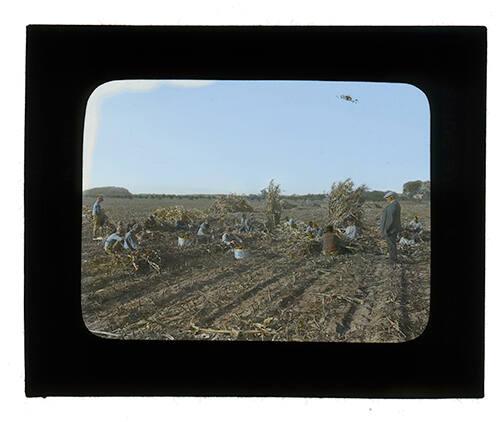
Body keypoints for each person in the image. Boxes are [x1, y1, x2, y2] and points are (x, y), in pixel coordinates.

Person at [380, 191, 402, 263]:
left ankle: (393, 260)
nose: (386, 199)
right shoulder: (396, 204)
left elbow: (390, 219)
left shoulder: (392, 206)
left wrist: (386, 230)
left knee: (391, 245)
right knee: (392, 245)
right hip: (394, 229)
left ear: (391, 197)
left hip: (390, 230)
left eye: (387, 198)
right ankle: (393, 258)